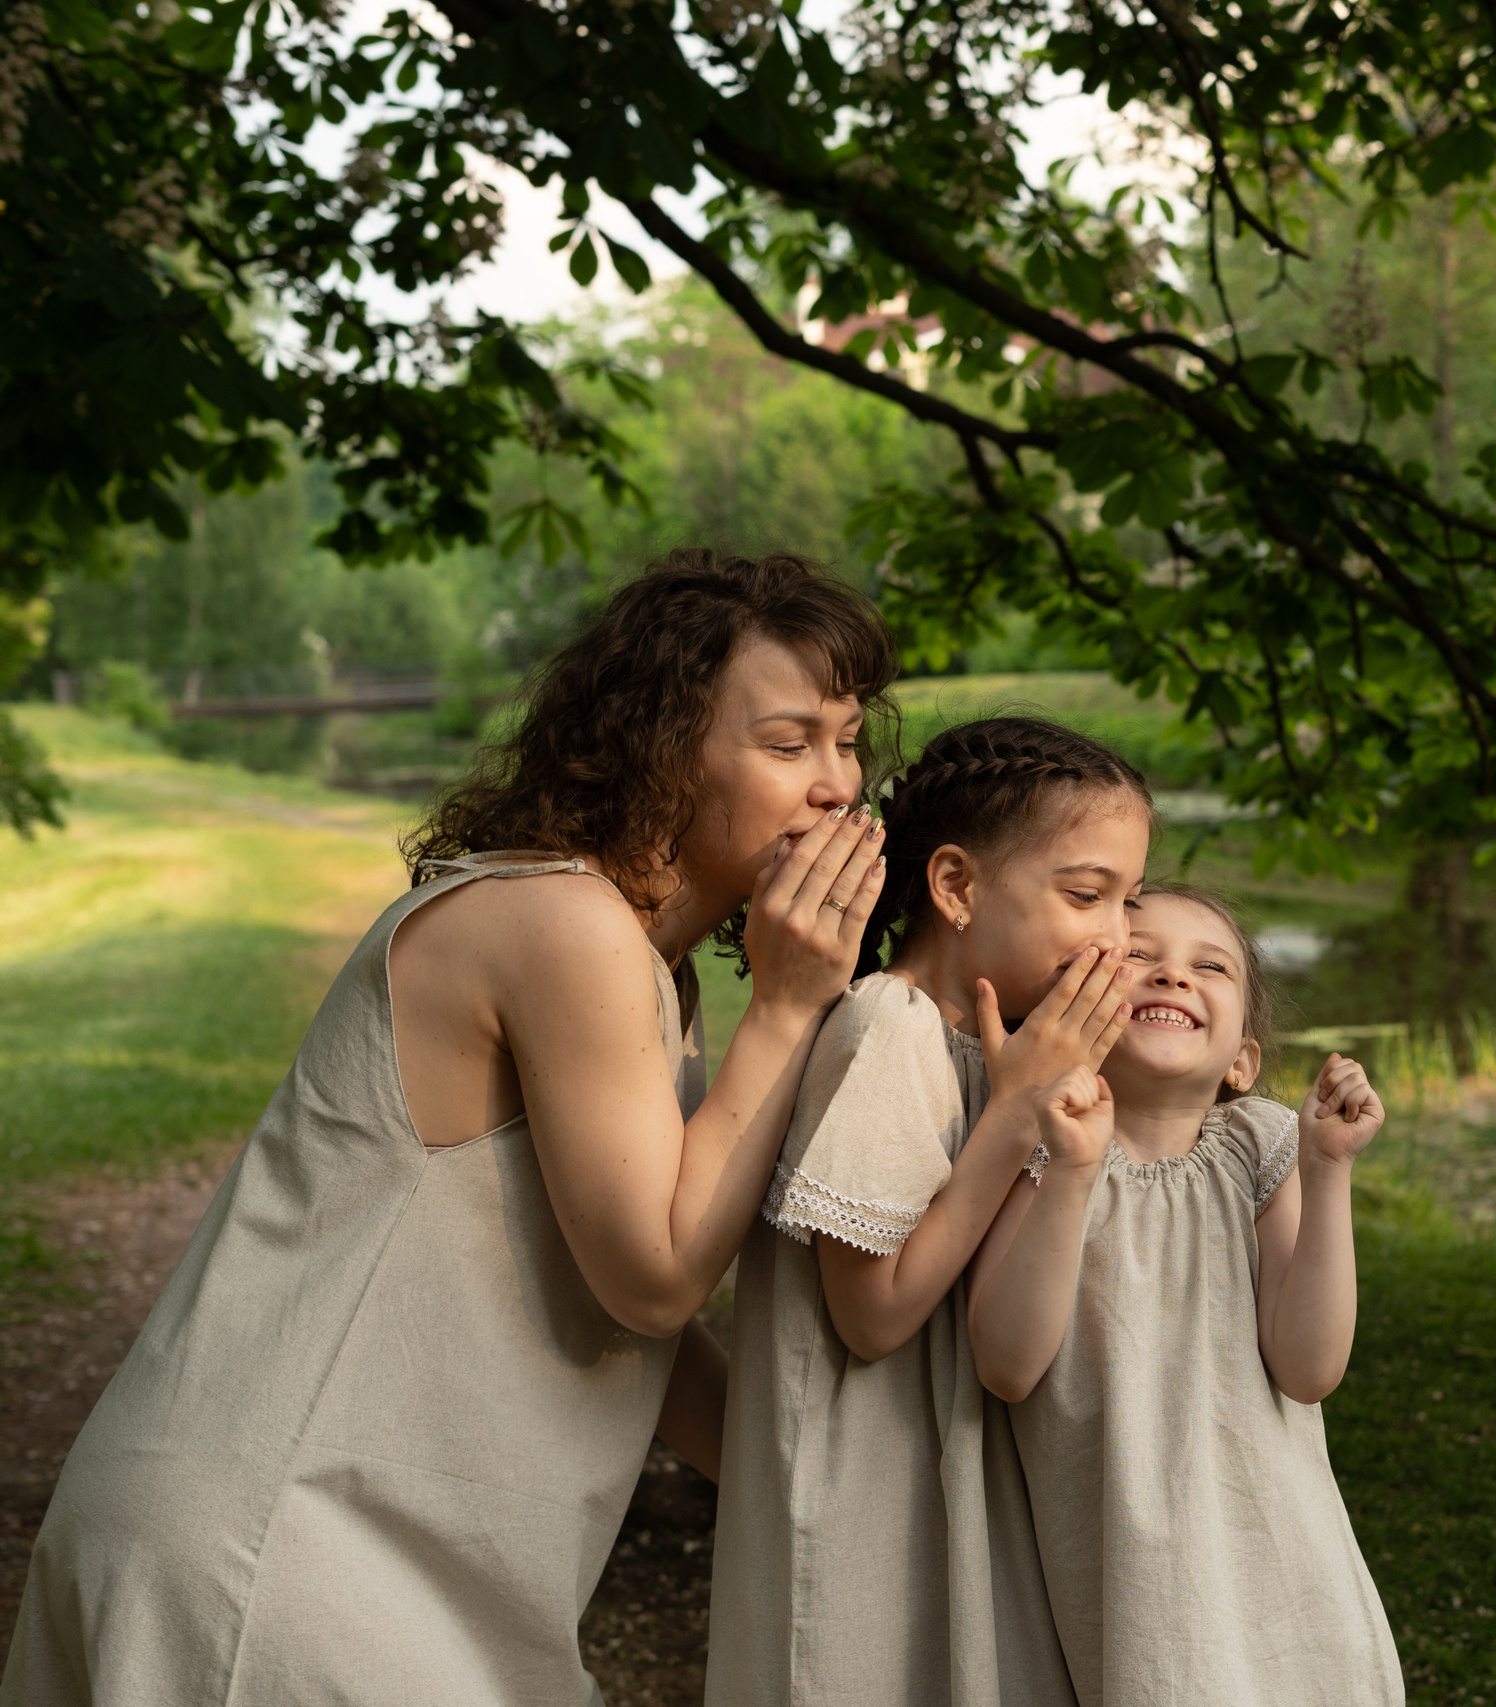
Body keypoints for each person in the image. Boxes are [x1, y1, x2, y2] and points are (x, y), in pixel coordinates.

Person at [0, 550, 894, 1707]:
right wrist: (786, 1001)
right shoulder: (560, 922)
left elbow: (627, 1338)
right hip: (279, 1547)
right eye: (788, 744)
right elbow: (654, 1283)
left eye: (847, 739)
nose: (837, 786)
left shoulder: (641, 969)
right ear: (663, 751)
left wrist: (851, 1496)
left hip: (364, 1554)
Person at [706, 716, 1152, 1707]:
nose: (1119, 938)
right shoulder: (889, 1027)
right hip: (859, 1502)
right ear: (956, 887)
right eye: (1087, 895)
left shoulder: (1001, 1050)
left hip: (940, 1483)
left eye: (1131, 900)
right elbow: (873, 1316)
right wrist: (1014, 1113)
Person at [968, 882, 1404, 1706]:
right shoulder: (1041, 1148)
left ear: (1243, 1056)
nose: (1172, 977)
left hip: (1283, 1556)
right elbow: (1007, 1364)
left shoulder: (1261, 1147)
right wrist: (1071, 1169)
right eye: (1138, 956)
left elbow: (1308, 1367)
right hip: (1137, 1580)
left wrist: (1328, 1169)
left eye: (1209, 966)